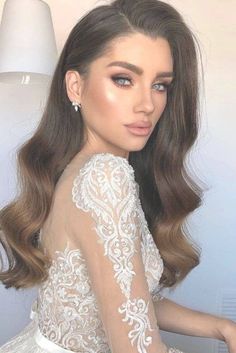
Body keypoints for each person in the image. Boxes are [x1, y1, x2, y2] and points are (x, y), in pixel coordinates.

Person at [0, 0, 235, 352]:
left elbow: (126, 303)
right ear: (75, 87)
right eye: (123, 79)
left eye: (161, 85)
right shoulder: (105, 177)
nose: (147, 104)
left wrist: (220, 327)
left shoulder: (77, 166)